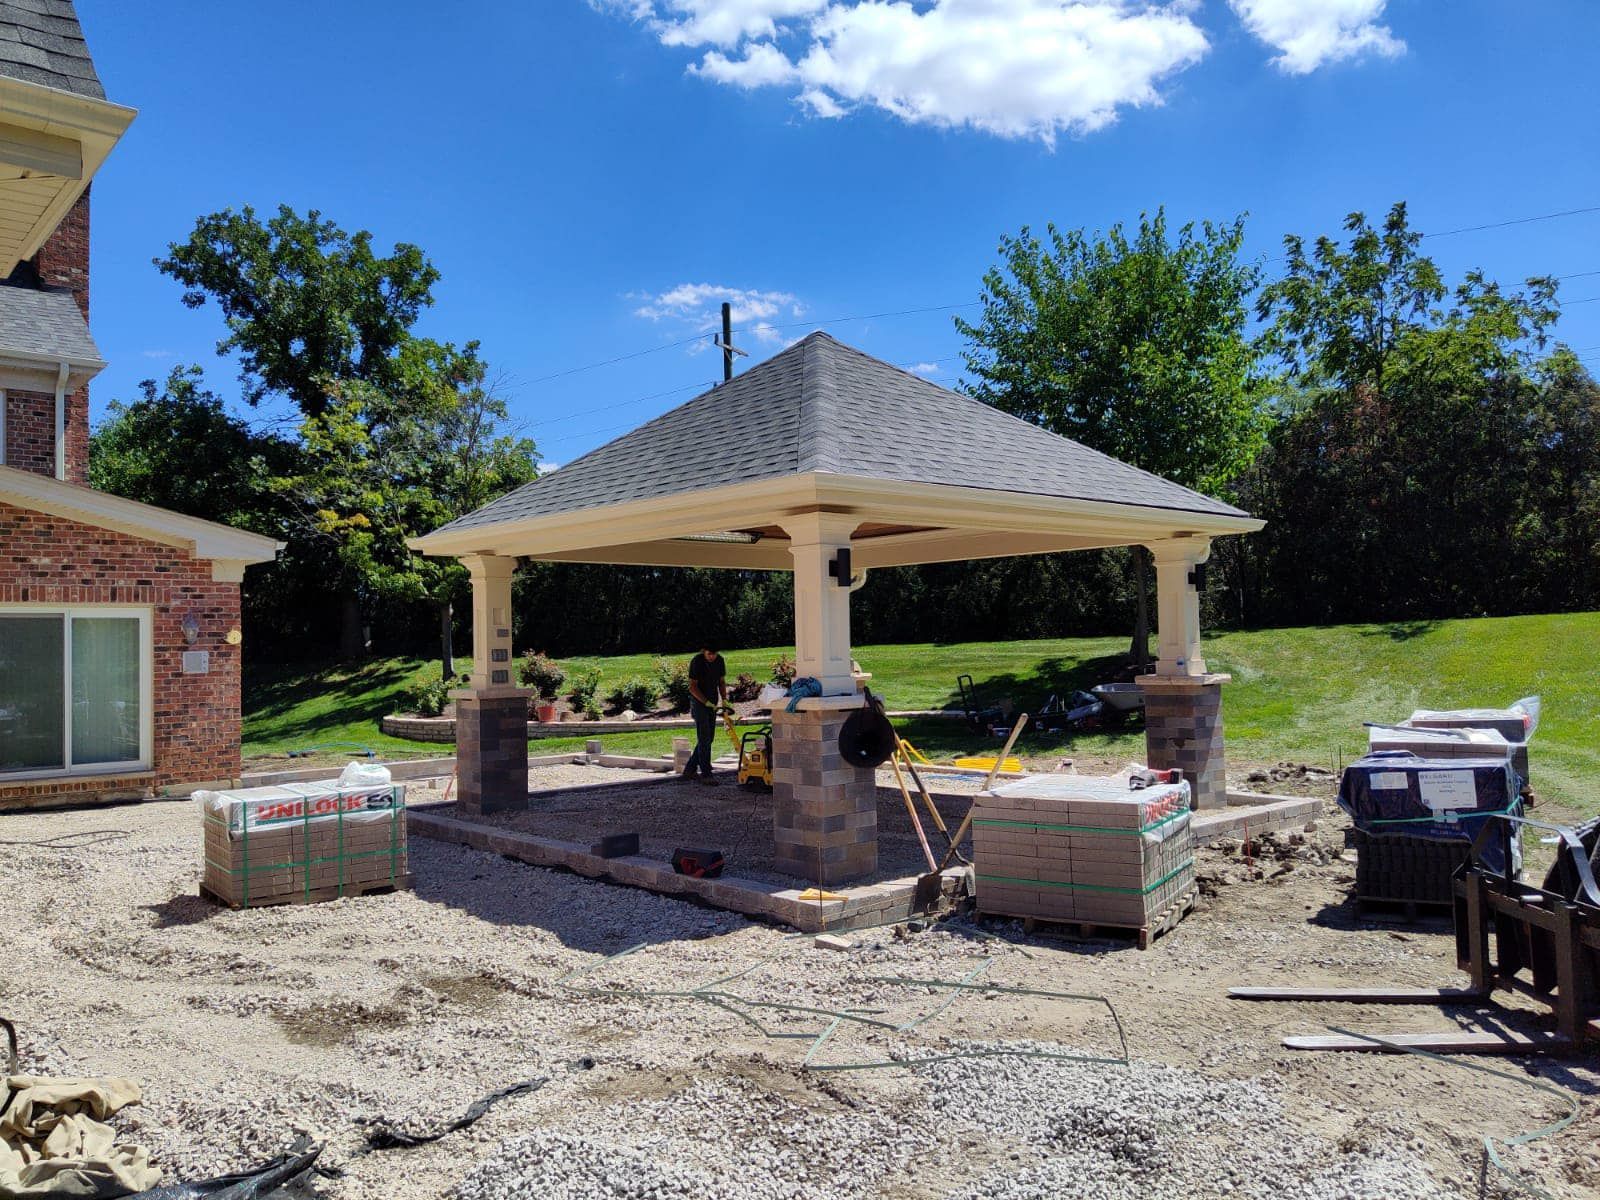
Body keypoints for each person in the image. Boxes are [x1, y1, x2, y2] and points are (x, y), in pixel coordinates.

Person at [681, 644, 728, 784]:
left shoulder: (719, 660)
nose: (712, 657)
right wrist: (705, 702)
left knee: (709, 738)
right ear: (704, 651)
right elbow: (692, 687)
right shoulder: (697, 662)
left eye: (715, 654)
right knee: (704, 738)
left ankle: (689, 769)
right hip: (699, 703)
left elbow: (721, 682)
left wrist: (724, 700)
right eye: (709, 654)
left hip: (711, 703)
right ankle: (706, 774)